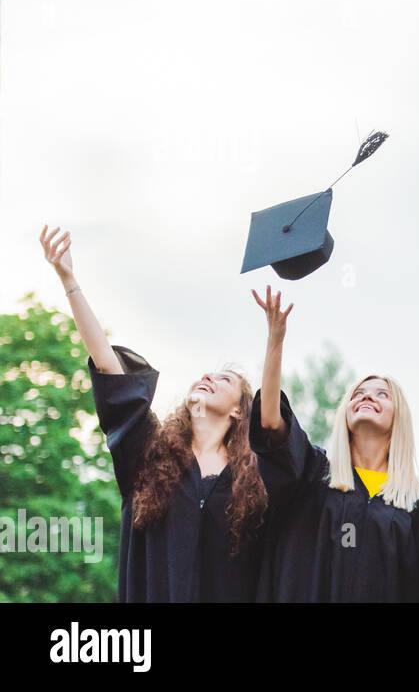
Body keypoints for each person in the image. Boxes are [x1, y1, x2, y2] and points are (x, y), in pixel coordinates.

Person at [39, 225, 270, 601]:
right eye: (206, 374)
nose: (208, 378)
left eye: (224, 380)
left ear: (239, 412)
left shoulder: (255, 482)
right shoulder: (151, 455)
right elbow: (110, 368)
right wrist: (69, 279)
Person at [249, 287, 419, 602]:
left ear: (398, 419)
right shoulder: (314, 475)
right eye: (358, 394)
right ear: (344, 414)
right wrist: (275, 341)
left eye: (381, 394)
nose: (367, 396)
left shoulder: (418, 502)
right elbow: (270, 423)